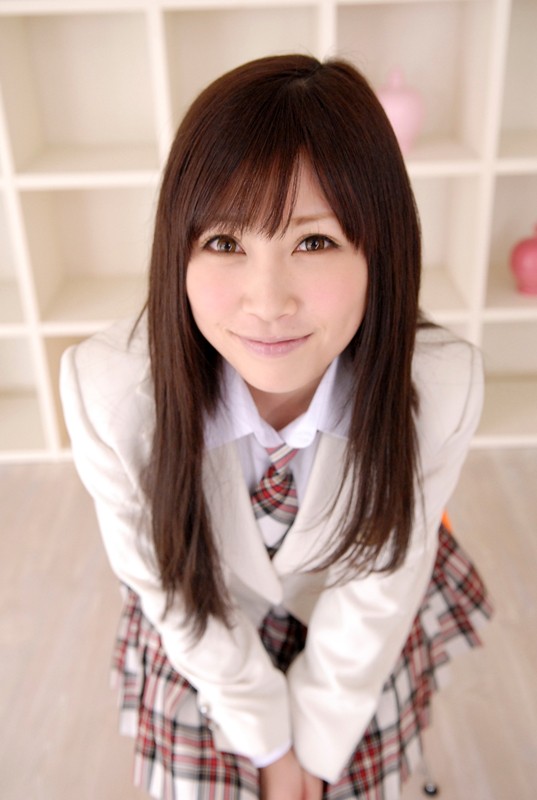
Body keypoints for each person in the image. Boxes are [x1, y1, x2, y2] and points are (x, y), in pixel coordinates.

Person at [60, 54, 492, 800]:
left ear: (379, 253)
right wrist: (267, 741)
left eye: (313, 243)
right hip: (209, 625)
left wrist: (315, 750)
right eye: (225, 243)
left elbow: (377, 593)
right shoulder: (111, 397)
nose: (267, 302)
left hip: (353, 625)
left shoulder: (439, 387)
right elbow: (175, 599)